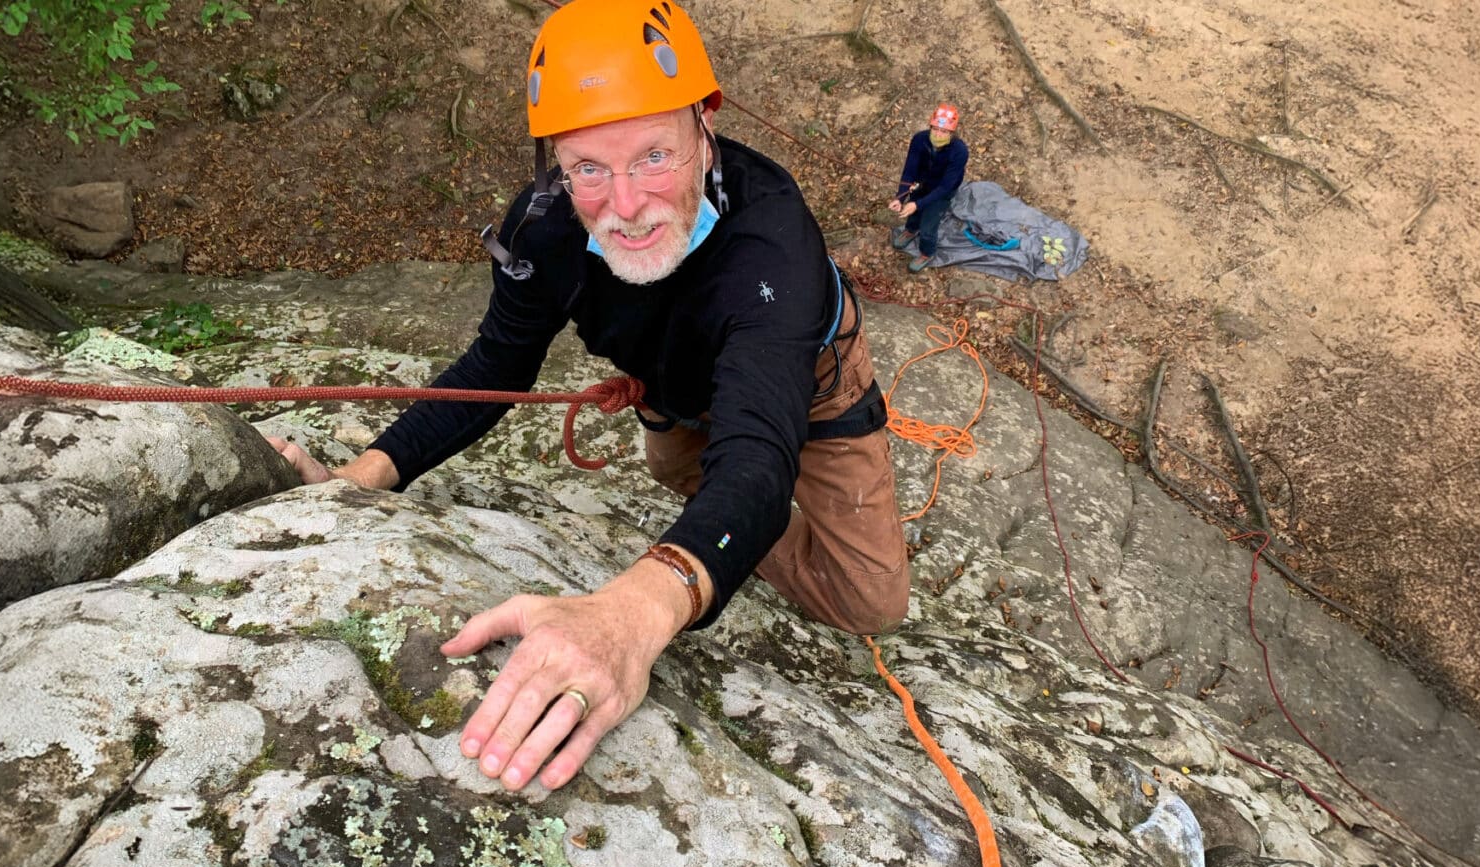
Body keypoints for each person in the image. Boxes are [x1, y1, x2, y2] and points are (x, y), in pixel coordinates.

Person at [267, 0, 909, 794]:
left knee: (868, 601)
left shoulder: (771, 247)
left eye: (653, 156)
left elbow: (761, 460)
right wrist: (359, 481)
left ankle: (722, 510)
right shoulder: (545, 230)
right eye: (589, 170)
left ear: (704, 127)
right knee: (683, 471)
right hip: (673, 390)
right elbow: (494, 367)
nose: (627, 204)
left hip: (800, 394)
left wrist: (627, 617)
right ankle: (706, 493)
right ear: (555, 165)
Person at [888, 103, 970, 273]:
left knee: (929, 225)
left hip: (942, 191)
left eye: (944, 131)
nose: (939, 134)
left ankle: (927, 252)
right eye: (935, 129)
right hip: (922, 183)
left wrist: (918, 204)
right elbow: (909, 170)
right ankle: (911, 230)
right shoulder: (920, 140)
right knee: (912, 212)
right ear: (930, 126)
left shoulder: (959, 151)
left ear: (952, 132)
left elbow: (946, 186)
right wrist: (900, 197)